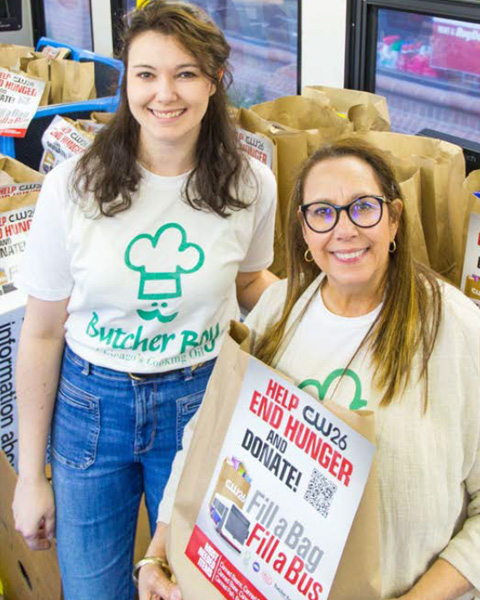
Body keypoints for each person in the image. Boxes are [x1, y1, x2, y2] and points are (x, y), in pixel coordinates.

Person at [142, 138, 480, 600]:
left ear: (394, 218)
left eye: (363, 208)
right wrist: (161, 546)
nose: (344, 229)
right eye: (323, 212)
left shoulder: (455, 330)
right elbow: (205, 434)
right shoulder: (278, 309)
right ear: (305, 230)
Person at [12, 2, 277, 600]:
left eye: (185, 73)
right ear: (124, 81)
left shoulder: (251, 184)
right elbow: (43, 331)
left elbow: (252, 284)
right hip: (90, 406)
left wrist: (332, 311)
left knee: (190, 587)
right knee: (91, 591)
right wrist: (30, 476)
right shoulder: (72, 184)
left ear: (214, 81)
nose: (165, 94)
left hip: (201, 401)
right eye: (146, 74)